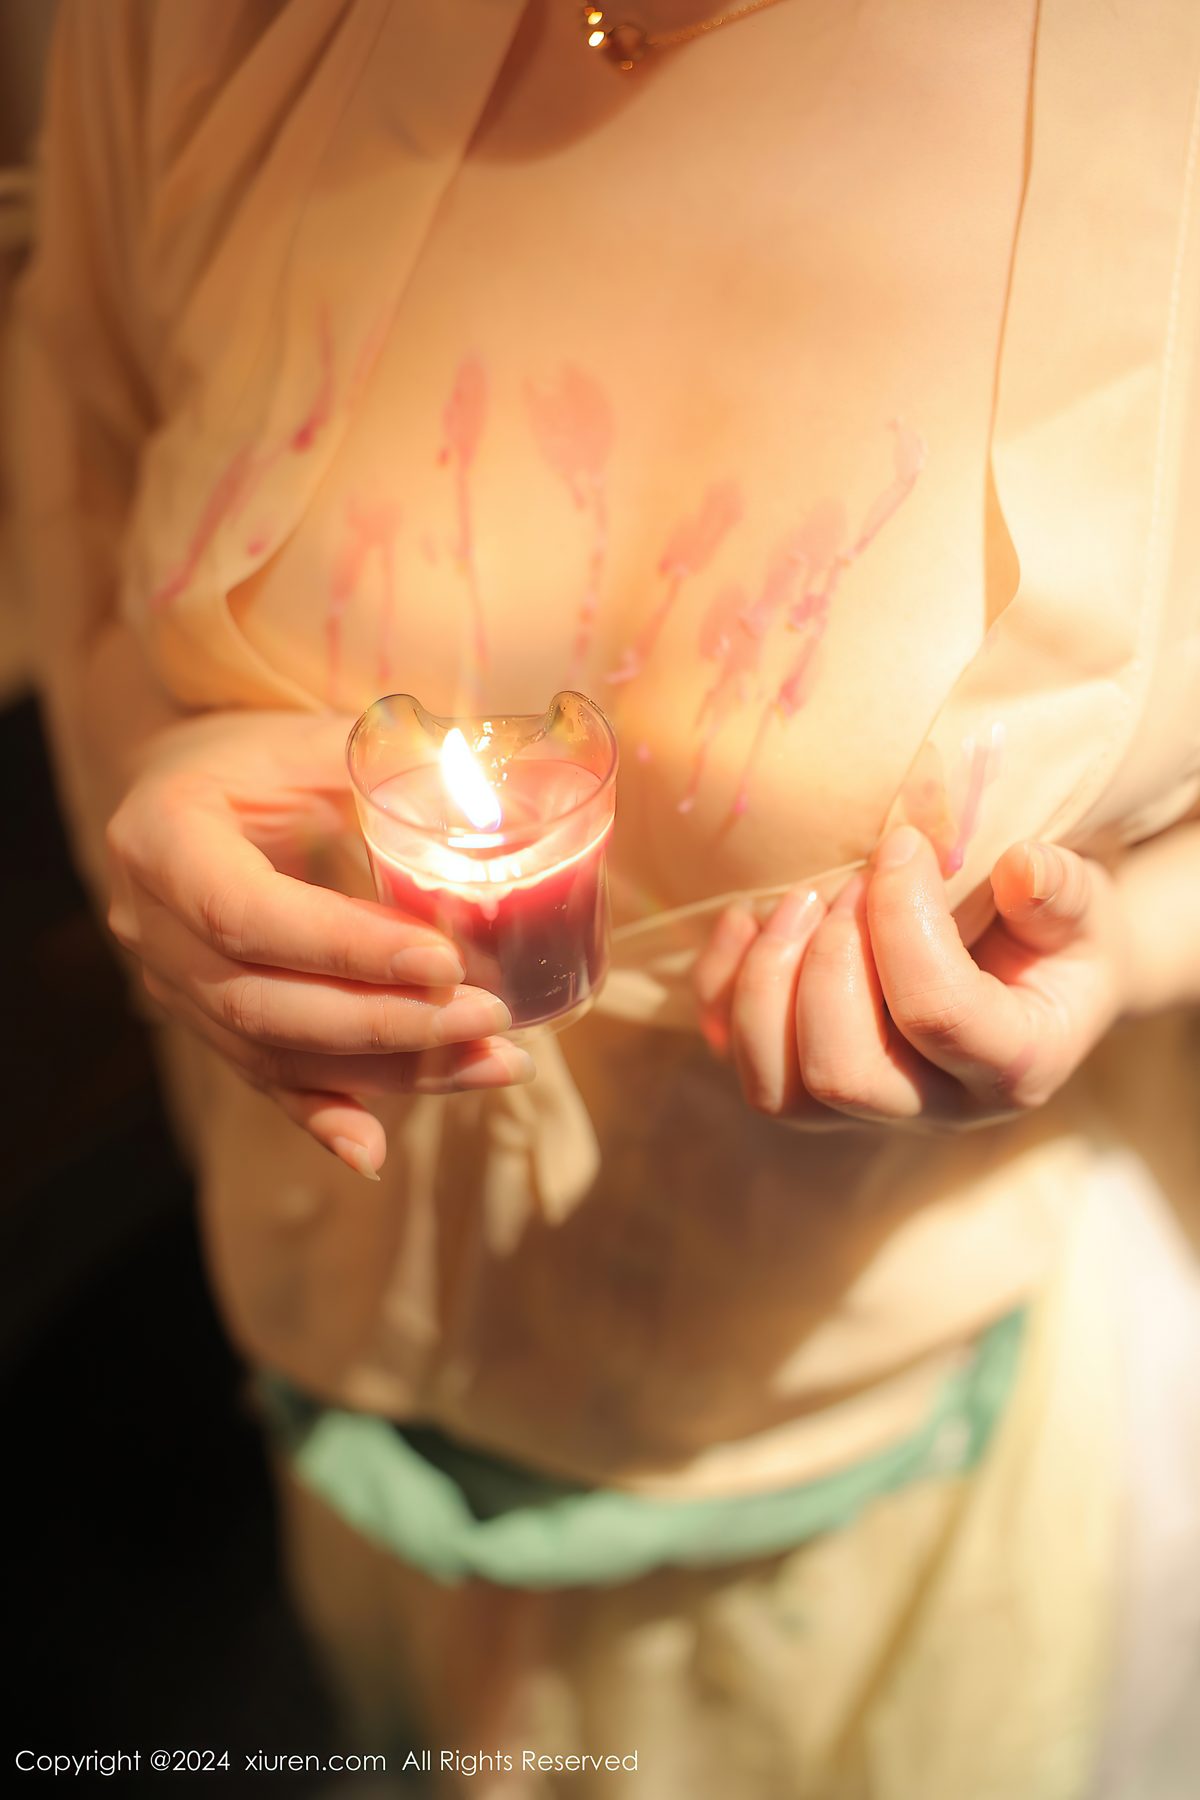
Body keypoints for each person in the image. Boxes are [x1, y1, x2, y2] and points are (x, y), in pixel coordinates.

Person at [6, 1, 1200, 1794]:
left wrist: (1121, 951)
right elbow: (81, 470)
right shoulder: (190, 29)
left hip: (865, 1501)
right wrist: (149, 786)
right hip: (324, 1372)